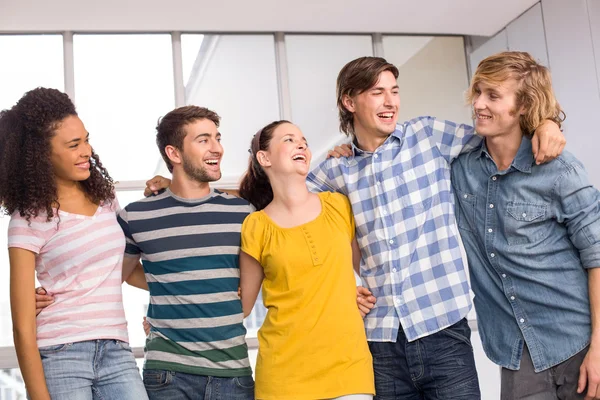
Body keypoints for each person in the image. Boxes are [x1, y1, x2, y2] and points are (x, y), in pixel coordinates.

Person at [313, 56, 566, 399]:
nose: (391, 102)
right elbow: (289, 221)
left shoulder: (427, 135)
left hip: (443, 331)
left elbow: (501, 132)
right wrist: (340, 284)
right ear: (349, 101)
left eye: (395, 91)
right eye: (377, 93)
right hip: (380, 341)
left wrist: (548, 122)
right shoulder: (337, 170)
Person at [451, 51, 600, 400]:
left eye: (493, 95)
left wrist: (599, 348)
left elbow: (597, 257)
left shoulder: (560, 171)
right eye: (478, 92)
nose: (479, 104)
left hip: (576, 341)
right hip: (515, 353)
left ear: (522, 106)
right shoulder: (460, 170)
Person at [1, 87, 147, 400]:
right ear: (41, 154)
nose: (87, 151)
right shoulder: (28, 219)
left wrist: (187, 284)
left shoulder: (105, 198)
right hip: (62, 352)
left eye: (86, 139)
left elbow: (123, 268)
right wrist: (38, 395)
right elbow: (23, 324)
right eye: (73, 145)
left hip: (117, 349)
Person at [116, 105, 256, 399]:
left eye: (217, 138)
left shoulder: (243, 213)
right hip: (168, 373)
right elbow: (123, 275)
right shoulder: (137, 216)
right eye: (204, 140)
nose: (217, 148)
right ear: (174, 153)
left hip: (233, 372)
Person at [236, 120, 375, 399]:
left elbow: (370, 272)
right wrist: (172, 319)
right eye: (289, 140)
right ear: (264, 158)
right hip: (283, 378)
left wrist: (360, 296)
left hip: (348, 371)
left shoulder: (338, 204)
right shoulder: (255, 226)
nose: (301, 144)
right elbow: (242, 306)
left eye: (304, 140)